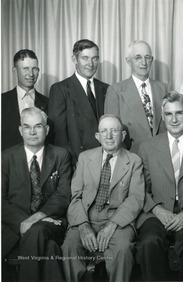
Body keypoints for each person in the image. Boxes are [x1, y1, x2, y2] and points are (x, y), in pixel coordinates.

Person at [136, 92, 183, 281]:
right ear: (163, 116)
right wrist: (157, 210)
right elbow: (140, 189)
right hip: (157, 210)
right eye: (169, 114)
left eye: (179, 113)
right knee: (148, 243)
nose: (174, 119)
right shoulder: (147, 147)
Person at [62, 114, 145, 282]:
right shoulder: (85, 158)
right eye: (104, 131)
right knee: (70, 247)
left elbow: (135, 198)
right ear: (97, 137)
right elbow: (75, 196)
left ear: (122, 135)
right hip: (86, 216)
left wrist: (112, 225)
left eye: (114, 131)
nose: (108, 136)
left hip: (117, 218)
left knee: (122, 249)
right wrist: (83, 226)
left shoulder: (134, 161)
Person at [2, 107, 72, 282]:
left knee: (38, 230)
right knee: (50, 249)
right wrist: (23, 221)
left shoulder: (60, 155)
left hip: (52, 222)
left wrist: (36, 217)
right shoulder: (5, 158)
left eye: (38, 126)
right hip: (15, 225)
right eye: (27, 127)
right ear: (20, 130)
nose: (32, 132)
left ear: (46, 130)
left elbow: (63, 195)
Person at [48, 39, 109, 165]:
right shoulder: (60, 89)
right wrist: (70, 163)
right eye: (85, 58)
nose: (90, 64)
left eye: (95, 58)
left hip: (104, 159)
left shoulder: (106, 88)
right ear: (74, 59)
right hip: (75, 162)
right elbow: (59, 135)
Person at [105, 40, 167, 153]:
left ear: (152, 60)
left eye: (147, 57)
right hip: (132, 155)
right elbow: (112, 132)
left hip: (160, 155)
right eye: (138, 57)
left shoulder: (162, 88)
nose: (144, 62)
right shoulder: (116, 91)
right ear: (128, 61)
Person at [2, 49, 49, 151]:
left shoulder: (48, 102)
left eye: (34, 69)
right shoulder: (2, 101)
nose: (31, 74)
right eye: (25, 68)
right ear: (15, 71)